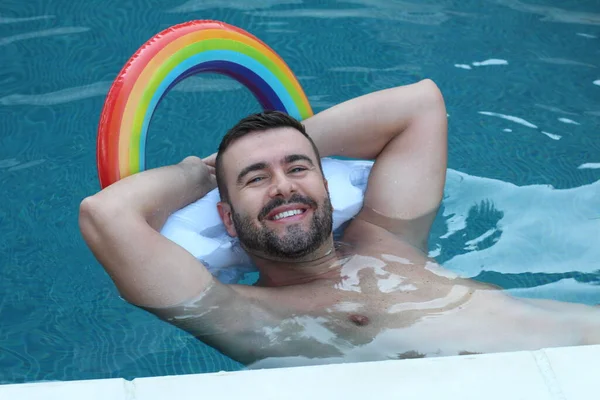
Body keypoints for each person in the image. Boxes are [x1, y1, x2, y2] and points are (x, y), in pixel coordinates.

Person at [80, 79, 599, 368]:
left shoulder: (388, 237)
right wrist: (200, 173)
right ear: (227, 221)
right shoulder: (244, 315)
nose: (283, 186)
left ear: (326, 189)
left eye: (298, 169)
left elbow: (419, 105)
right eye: (256, 179)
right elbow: (104, 216)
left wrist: (282, 140)